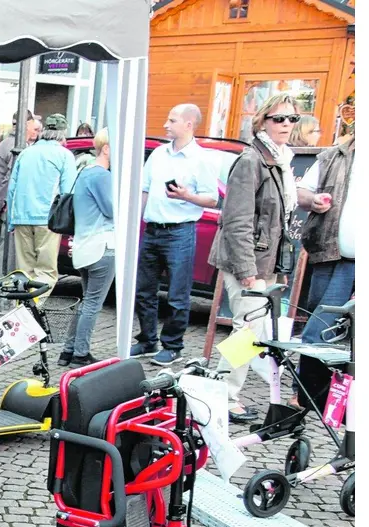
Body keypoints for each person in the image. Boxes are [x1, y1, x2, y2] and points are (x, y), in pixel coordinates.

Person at [209, 93, 300, 422]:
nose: (286, 124)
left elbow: (280, 221)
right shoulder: (252, 161)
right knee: (246, 331)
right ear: (262, 121)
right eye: (279, 118)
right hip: (245, 261)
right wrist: (248, 271)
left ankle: (222, 389)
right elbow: (237, 220)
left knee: (251, 331)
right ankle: (221, 392)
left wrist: (280, 268)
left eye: (292, 119)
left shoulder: (280, 160)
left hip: (267, 262)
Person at [131, 103, 221, 366]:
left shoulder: (202, 159)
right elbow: (145, 189)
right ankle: (147, 339)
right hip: (153, 229)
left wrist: (187, 196)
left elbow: (212, 199)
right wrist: (138, 220)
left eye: (172, 121)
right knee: (144, 289)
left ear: (189, 124)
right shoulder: (159, 154)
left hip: (180, 231)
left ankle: (173, 345)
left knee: (177, 293)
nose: (166, 125)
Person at [3, 113, 77, 293]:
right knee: (46, 271)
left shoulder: (26, 153)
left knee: (24, 271)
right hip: (47, 220)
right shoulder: (64, 155)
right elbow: (68, 193)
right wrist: (69, 225)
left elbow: (11, 189)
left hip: (21, 218)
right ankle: (34, 308)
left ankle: (22, 309)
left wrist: (11, 220)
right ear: (63, 133)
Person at [296, 131, 354, 345]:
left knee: (320, 328)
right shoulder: (331, 158)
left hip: (352, 262)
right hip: (326, 253)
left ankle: (306, 378)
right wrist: (313, 200)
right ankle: (309, 377)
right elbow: (301, 194)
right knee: (318, 318)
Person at [64, 127, 115, 367]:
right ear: (106, 149)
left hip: (85, 246)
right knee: (93, 303)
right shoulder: (102, 176)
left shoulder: (84, 172)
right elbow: (112, 210)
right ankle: (80, 353)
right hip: (101, 246)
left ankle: (69, 350)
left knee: (87, 300)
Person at [0, 111, 40, 277]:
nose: (35, 130)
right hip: (6, 204)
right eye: (33, 125)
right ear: (26, 124)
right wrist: (0, 204)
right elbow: (9, 180)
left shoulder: (4, 143)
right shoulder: (17, 147)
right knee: (5, 247)